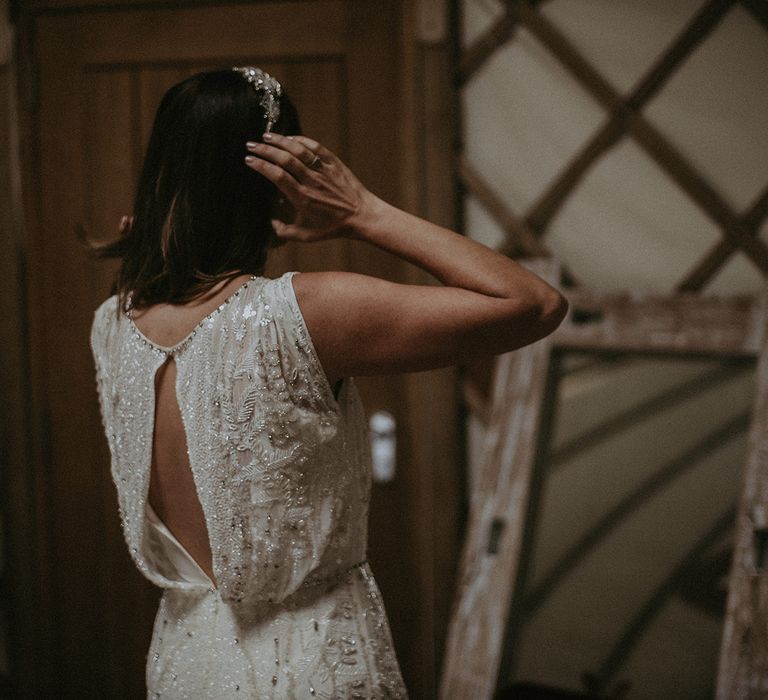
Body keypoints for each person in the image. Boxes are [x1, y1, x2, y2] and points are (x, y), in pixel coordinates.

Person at [90, 67, 567, 699]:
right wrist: (364, 214)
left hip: (185, 666)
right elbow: (533, 304)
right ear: (275, 181)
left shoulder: (111, 324)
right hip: (312, 662)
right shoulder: (302, 315)